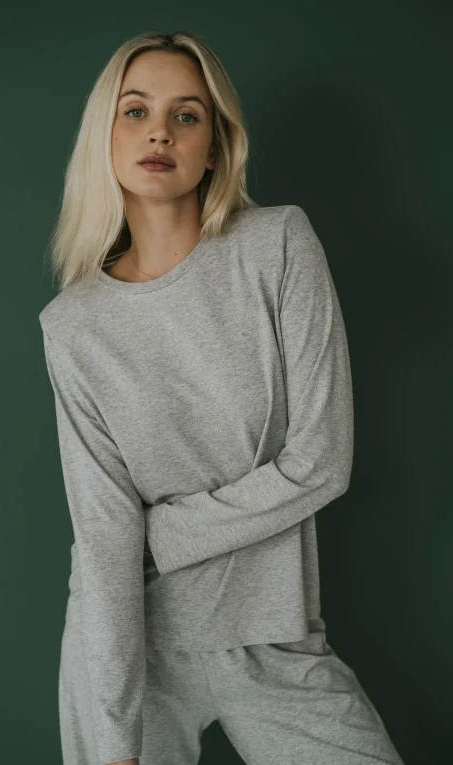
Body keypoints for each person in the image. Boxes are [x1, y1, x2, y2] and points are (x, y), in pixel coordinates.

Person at [39, 30, 405, 765]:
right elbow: (105, 535)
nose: (159, 133)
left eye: (186, 115)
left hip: (274, 638)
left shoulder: (278, 246)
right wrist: (114, 739)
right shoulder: (72, 325)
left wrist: (154, 536)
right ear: (105, 136)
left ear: (214, 147)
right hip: (129, 649)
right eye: (136, 111)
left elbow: (322, 462)